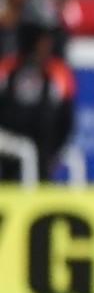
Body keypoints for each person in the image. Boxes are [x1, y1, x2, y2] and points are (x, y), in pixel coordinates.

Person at [0, 13, 76, 182]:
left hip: (46, 148)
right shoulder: (6, 69)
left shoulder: (59, 73)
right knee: (24, 152)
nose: (47, 44)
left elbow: (66, 120)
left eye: (48, 39)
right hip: (8, 146)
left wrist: (52, 151)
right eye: (42, 39)